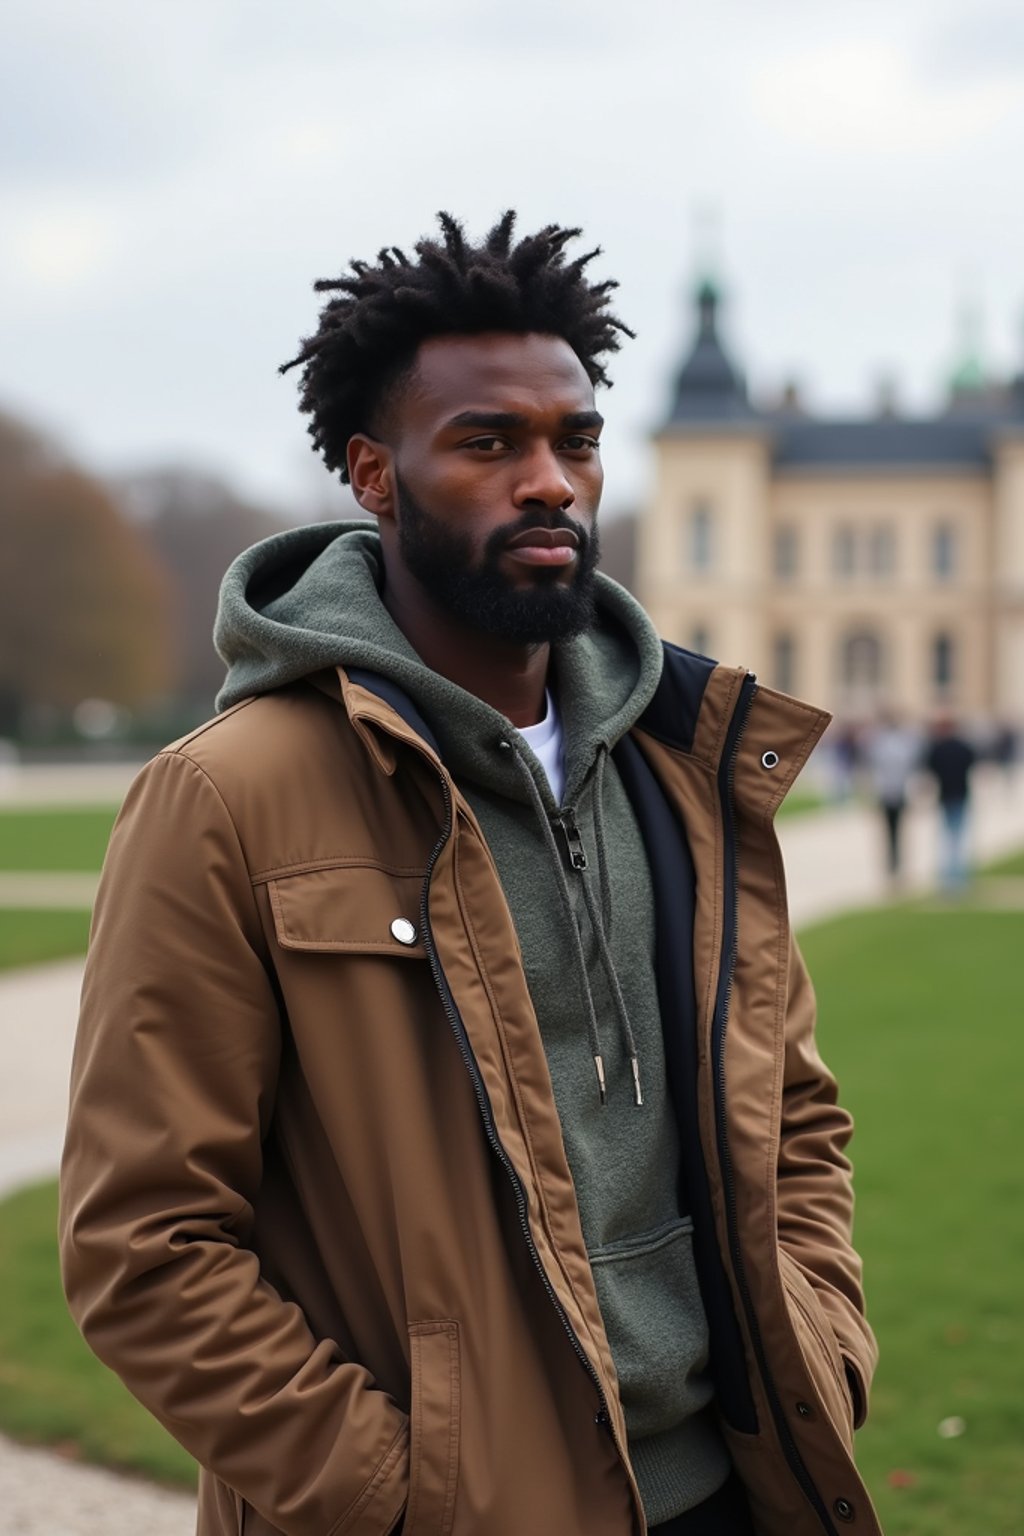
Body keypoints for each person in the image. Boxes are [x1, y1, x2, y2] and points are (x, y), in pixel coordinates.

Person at [60, 213, 880, 1536]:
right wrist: (410, 1497)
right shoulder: (223, 797)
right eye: (489, 444)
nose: (550, 480)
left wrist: (822, 1346)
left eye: (578, 440)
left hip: (734, 1498)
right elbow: (144, 1249)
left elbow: (795, 1125)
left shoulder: (688, 769)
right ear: (375, 476)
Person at [864, 711, 920, 882]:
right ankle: (892, 865)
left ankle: (895, 864)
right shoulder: (885, 741)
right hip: (888, 792)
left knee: (896, 832)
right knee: (891, 832)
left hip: (897, 791)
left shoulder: (895, 741)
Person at [923, 713, 976, 891]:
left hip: (950, 795)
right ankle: (956, 876)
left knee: (950, 838)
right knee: (955, 838)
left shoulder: (938, 748)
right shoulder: (962, 747)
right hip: (957, 794)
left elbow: (930, 769)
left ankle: (951, 876)